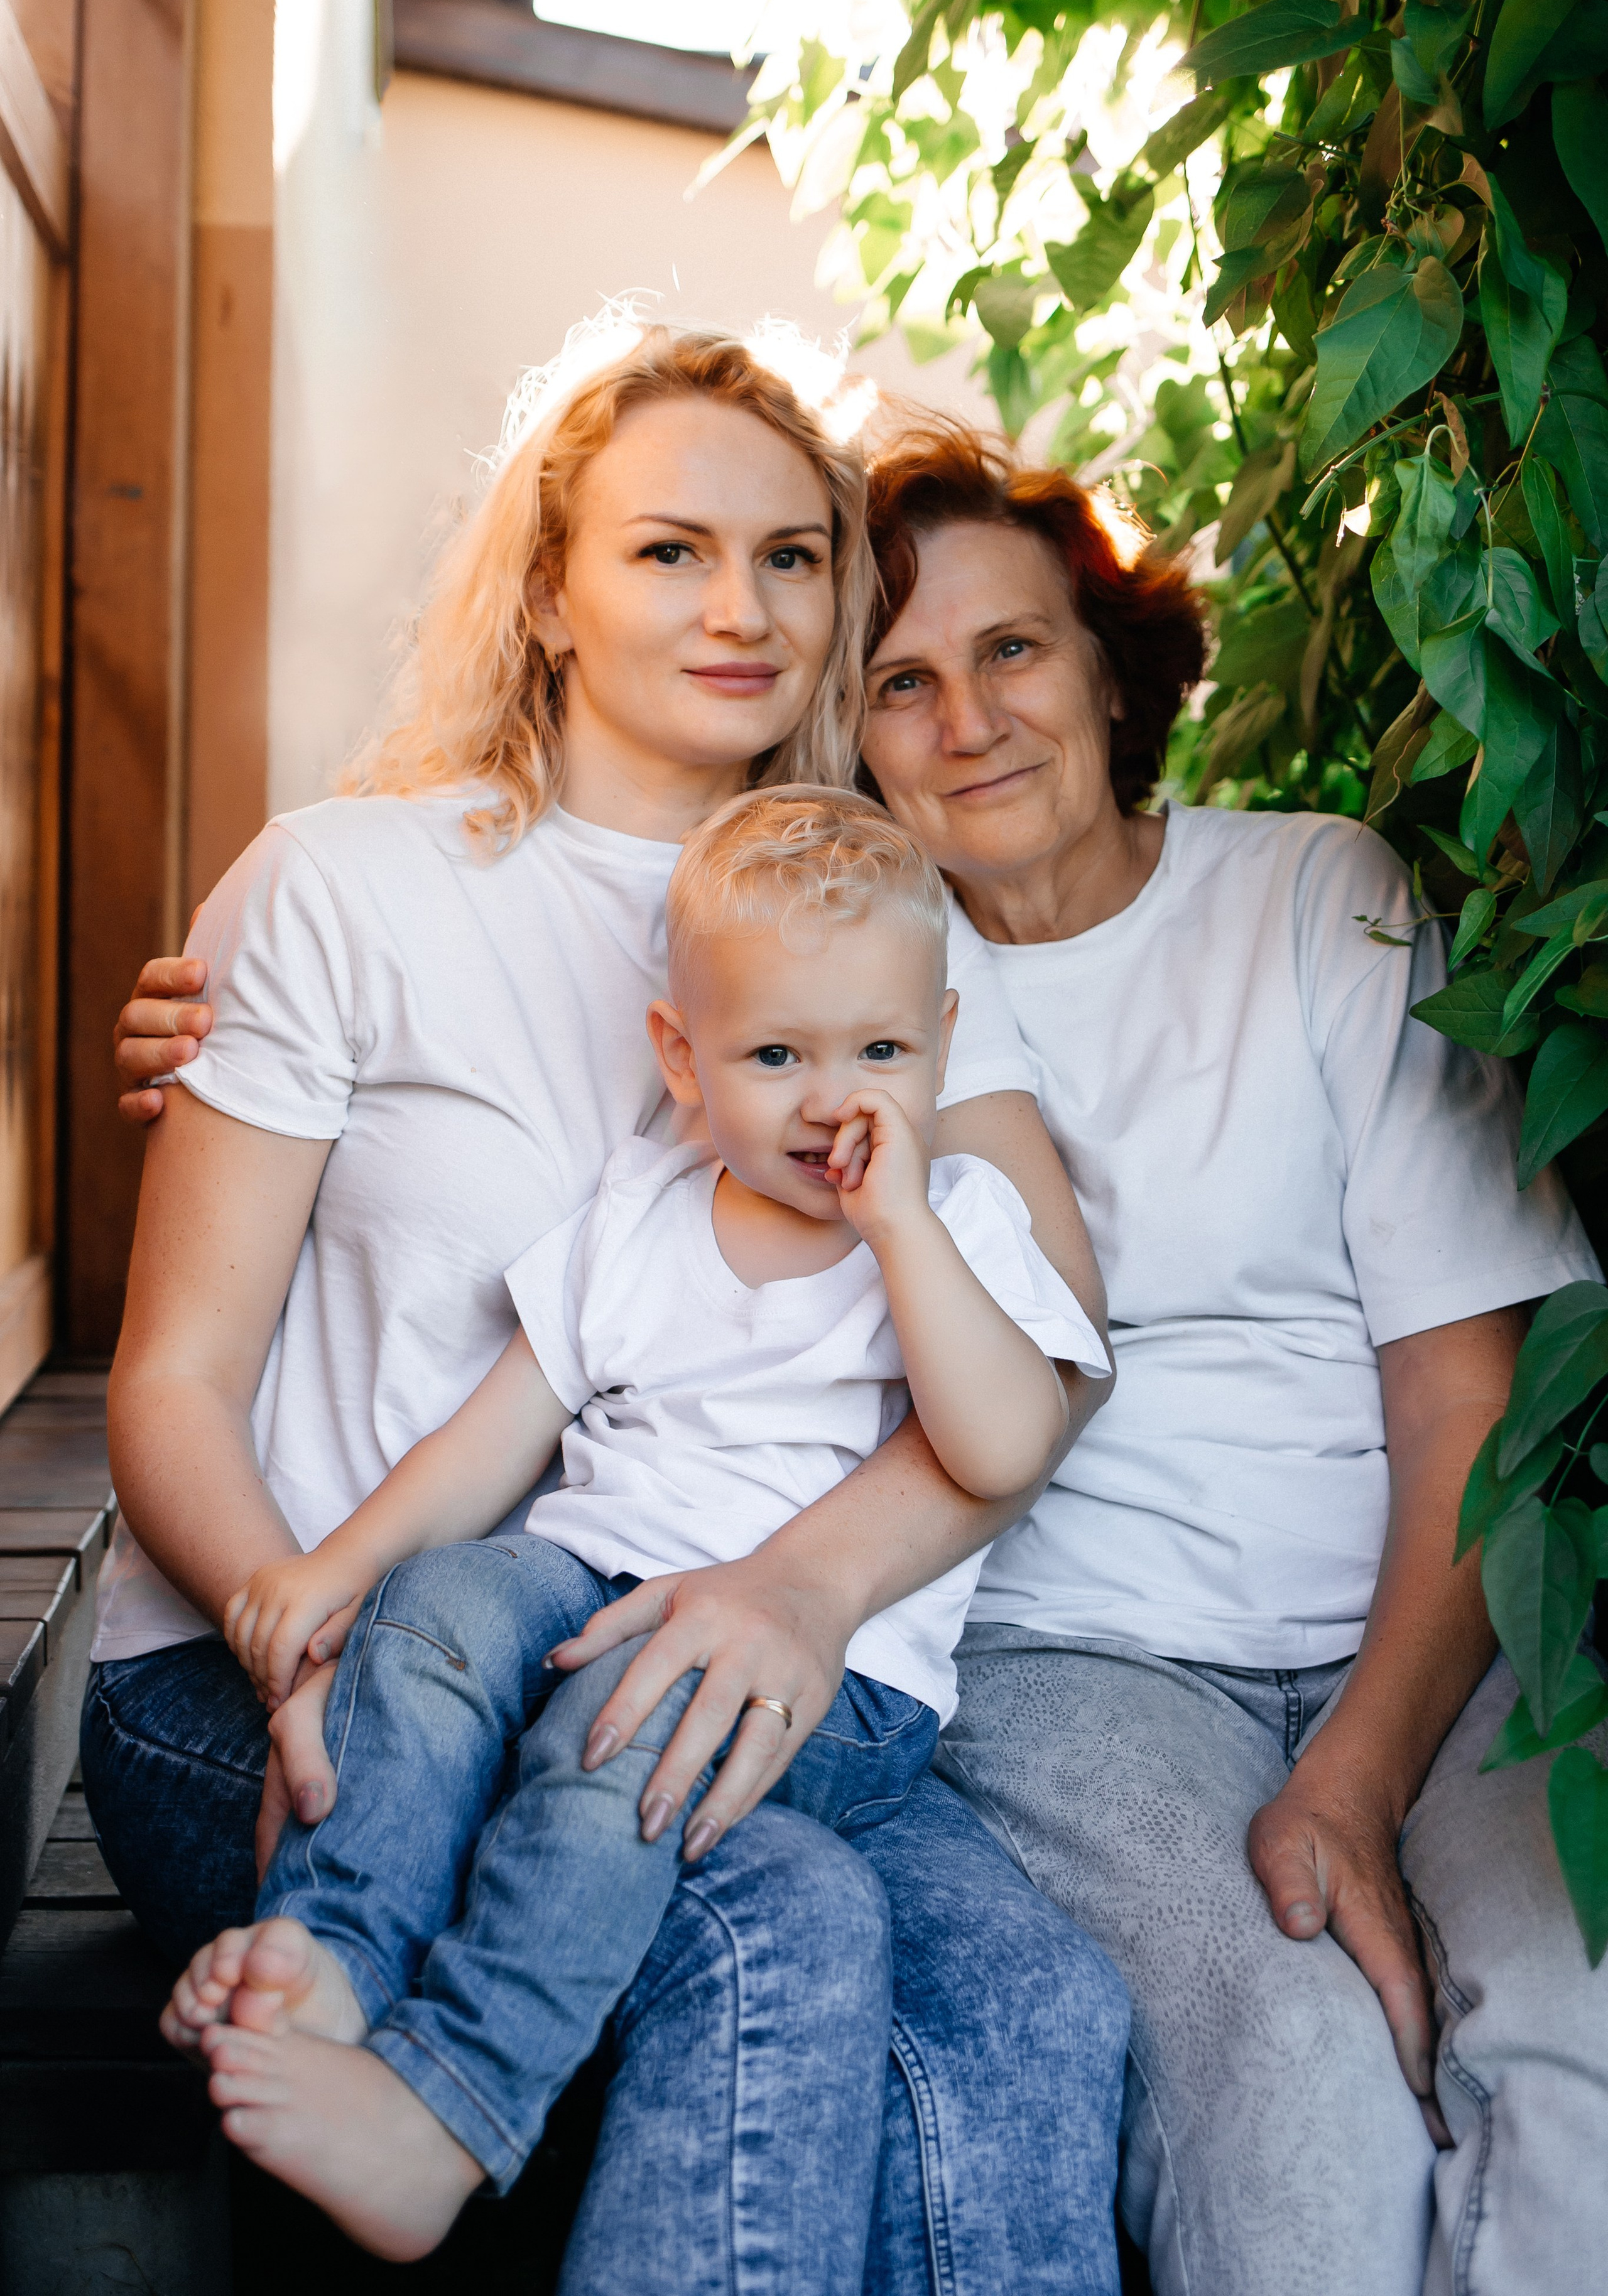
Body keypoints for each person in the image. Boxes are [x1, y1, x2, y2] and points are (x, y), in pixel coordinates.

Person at [94, 326, 1129, 2295]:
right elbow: (173, 1375)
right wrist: (290, 1625)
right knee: (782, 1937)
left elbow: (1040, 1353)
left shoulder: (870, 917)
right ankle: (406, 2078)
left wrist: (803, 1593)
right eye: (668, 552)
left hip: (701, 1650)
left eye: (793, 557)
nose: (739, 607)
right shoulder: (343, 887)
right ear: (549, 592)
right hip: (300, 1679)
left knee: (1028, 2012)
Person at [841, 416, 1608, 2296]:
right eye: (901, 683)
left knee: (1577, 2053)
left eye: (1011, 649)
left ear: (1106, 667)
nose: (970, 719)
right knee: (1299, 2094)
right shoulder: (847, 973)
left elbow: (1464, 1391)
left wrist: (1355, 1768)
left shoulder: (1310, 895)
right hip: (1084, 1667)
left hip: (1430, 1622)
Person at [161, 786, 1112, 2260]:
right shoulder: (646, 1206)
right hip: (594, 1583)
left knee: (616, 1735)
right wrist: (337, 1572)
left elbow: (1000, 1445)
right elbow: (496, 1434)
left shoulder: (961, 1219)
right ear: (683, 1056)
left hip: (829, 1679)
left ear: (938, 1039)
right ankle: (334, 1961)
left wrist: (904, 1231)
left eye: (879, 1052)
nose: (830, 1099)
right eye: (776, 1055)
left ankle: (451, 2103)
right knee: (445, 1603)